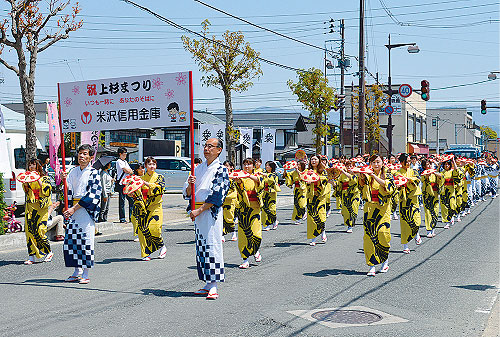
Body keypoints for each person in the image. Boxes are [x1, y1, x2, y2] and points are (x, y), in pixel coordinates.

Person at [184, 138, 230, 300]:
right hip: (197, 211)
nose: (206, 149)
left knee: (212, 244)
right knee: (201, 247)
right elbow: (188, 193)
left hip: (210, 212)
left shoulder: (221, 170)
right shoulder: (198, 168)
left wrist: (200, 210)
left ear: (219, 150)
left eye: (211, 146)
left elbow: (218, 195)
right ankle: (208, 282)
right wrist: (190, 185)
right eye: (205, 146)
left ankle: (214, 284)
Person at [62, 144, 102, 284]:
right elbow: (68, 191)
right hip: (73, 208)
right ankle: (76, 271)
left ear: (91, 157)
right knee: (72, 241)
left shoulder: (94, 173)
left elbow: (93, 195)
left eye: (85, 154)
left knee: (86, 241)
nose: (81, 156)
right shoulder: (73, 171)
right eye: (80, 153)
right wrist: (64, 181)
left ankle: (85, 272)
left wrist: (75, 208)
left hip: (85, 209)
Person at [358, 154, 395, 276]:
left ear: (383, 163)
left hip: (383, 208)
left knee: (383, 234)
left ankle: (385, 261)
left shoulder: (388, 174)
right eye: (373, 162)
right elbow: (360, 187)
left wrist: (374, 176)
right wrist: (361, 177)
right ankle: (372, 265)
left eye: (378, 162)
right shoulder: (367, 175)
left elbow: (390, 187)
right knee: (369, 237)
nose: (376, 164)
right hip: (370, 208)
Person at [132, 157, 167, 261]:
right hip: (143, 208)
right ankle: (145, 254)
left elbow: (160, 188)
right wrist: (132, 193)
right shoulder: (141, 179)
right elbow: (136, 193)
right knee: (142, 230)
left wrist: (146, 184)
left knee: (154, 228)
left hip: (156, 207)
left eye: (153, 164)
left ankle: (161, 246)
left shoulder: (160, 177)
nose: (152, 166)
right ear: (145, 166)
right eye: (149, 164)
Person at [233, 158, 263, 269]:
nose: (246, 166)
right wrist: (238, 181)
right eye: (245, 164)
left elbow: (260, 183)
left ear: (253, 166)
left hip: (254, 207)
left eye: (249, 164)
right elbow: (239, 189)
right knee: (243, 234)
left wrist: (248, 176)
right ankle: (245, 259)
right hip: (243, 208)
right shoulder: (240, 176)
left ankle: (255, 250)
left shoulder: (258, 175)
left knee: (255, 233)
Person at [22, 159, 54, 264]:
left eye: (34, 164)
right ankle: (31, 256)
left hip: (41, 208)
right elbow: (26, 191)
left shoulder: (45, 178)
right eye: (30, 165)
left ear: (38, 166)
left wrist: (38, 180)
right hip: (30, 207)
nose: (31, 166)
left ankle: (48, 252)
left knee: (40, 230)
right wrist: (26, 183)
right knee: (29, 231)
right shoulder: (28, 178)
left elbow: (47, 190)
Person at [396, 154, 422, 254]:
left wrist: (409, 180)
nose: (408, 163)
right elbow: (396, 184)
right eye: (406, 161)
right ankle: (405, 245)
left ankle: (416, 234)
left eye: (409, 161)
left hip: (413, 198)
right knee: (405, 223)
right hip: (403, 199)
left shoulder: (413, 171)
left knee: (416, 220)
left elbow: (417, 179)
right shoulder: (397, 172)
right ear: (401, 162)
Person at [305, 154, 328, 246]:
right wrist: (307, 179)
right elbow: (303, 179)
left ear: (319, 161)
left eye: (315, 159)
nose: (313, 161)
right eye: (312, 159)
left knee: (321, 216)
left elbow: (326, 179)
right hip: (311, 197)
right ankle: (313, 238)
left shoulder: (323, 171)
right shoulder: (308, 171)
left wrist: (316, 179)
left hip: (320, 197)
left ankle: (322, 231)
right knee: (311, 218)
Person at [336, 161, 361, 233]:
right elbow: (339, 184)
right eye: (347, 166)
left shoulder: (356, 173)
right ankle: (348, 224)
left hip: (354, 194)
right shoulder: (342, 176)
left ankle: (350, 226)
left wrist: (343, 172)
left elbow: (353, 180)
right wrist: (333, 183)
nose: (349, 168)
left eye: (350, 166)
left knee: (353, 209)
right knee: (345, 211)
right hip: (345, 194)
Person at [420, 159, 441, 238]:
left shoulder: (434, 172)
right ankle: (428, 230)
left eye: (429, 164)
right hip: (427, 194)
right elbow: (423, 181)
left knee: (435, 211)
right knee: (428, 211)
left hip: (435, 193)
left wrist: (436, 174)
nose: (428, 166)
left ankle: (433, 229)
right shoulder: (423, 174)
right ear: (424, 166)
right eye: (427, 164)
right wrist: (427, 177)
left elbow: (440, 179)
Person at [439, 158, 459, 229]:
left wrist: (453, 161)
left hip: (451, 190)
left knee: (452, 204)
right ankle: (447, 222)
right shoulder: (442, 172)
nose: (446, 166)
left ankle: (452, 216)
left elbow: (456, 171)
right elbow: (438, 176)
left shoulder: (452, 171)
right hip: (443, 191)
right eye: (445, 164)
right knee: (444, 206)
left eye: (448, 164)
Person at [261, 161, 281, 231]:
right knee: (264, 208)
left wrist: (266, 176)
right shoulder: (263, 173)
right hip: (264, 192)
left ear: (272, 167)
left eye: (268, 166)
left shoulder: (274, 174)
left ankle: (274, 220)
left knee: (272, 208)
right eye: (266, 165)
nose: (267, 167)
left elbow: (272, 180)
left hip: (271, 193)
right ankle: (266, 224)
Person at [116, 147, 134, 223]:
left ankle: (131, 217)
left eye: (126, 153)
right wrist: (129, 171)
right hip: (121, 183)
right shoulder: (119, 161)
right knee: (122, 201)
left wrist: (129, 171)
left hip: (127, 183)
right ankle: (122, 218)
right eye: (124, 153)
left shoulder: (125, 162)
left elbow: (131, 171)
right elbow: (126, 170)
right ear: (120, 154)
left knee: (131, 200)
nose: (125, 155)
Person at [222, 160, 238, 242]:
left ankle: (233, 233)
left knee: (230, 217)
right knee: (221, 218)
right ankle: (222, 234)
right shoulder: (221, 175)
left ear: (231, 167)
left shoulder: (235, 176)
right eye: (224, 165)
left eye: (227, 166)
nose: (225, 167)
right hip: (222, 199)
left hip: (231, 199)